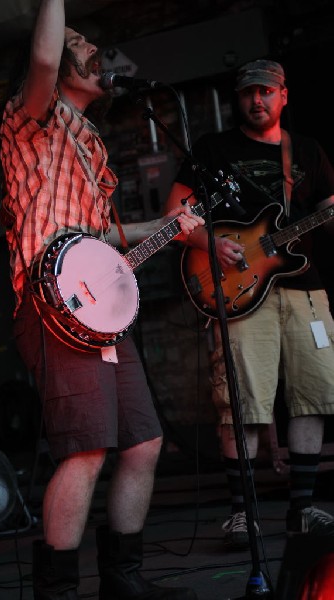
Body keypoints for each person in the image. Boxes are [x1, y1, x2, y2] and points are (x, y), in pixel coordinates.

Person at [0, 1, 204, 598]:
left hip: (97, 310)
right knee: (86, 445)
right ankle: (58, 591)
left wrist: (172, 228)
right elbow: (42, 54)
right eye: (80, 43)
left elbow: (104, 239)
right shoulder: (31, 115)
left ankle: (124, 581)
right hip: (50, 304)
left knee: (143, 441)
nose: (92, 49)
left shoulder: (90, 142)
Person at [165, 58, 334, 549]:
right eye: (247, 93)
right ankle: (243, 515)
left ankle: (302, 510)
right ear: (239, 99)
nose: (256, 100)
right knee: (241, 403)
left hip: (304, 289)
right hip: (238, 290)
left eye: (265, 91)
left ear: (284, 96)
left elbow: (325, 214)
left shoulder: (307, 150)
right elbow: (174, 213)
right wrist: (209, 243)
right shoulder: (213, 149)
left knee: (314, 393)